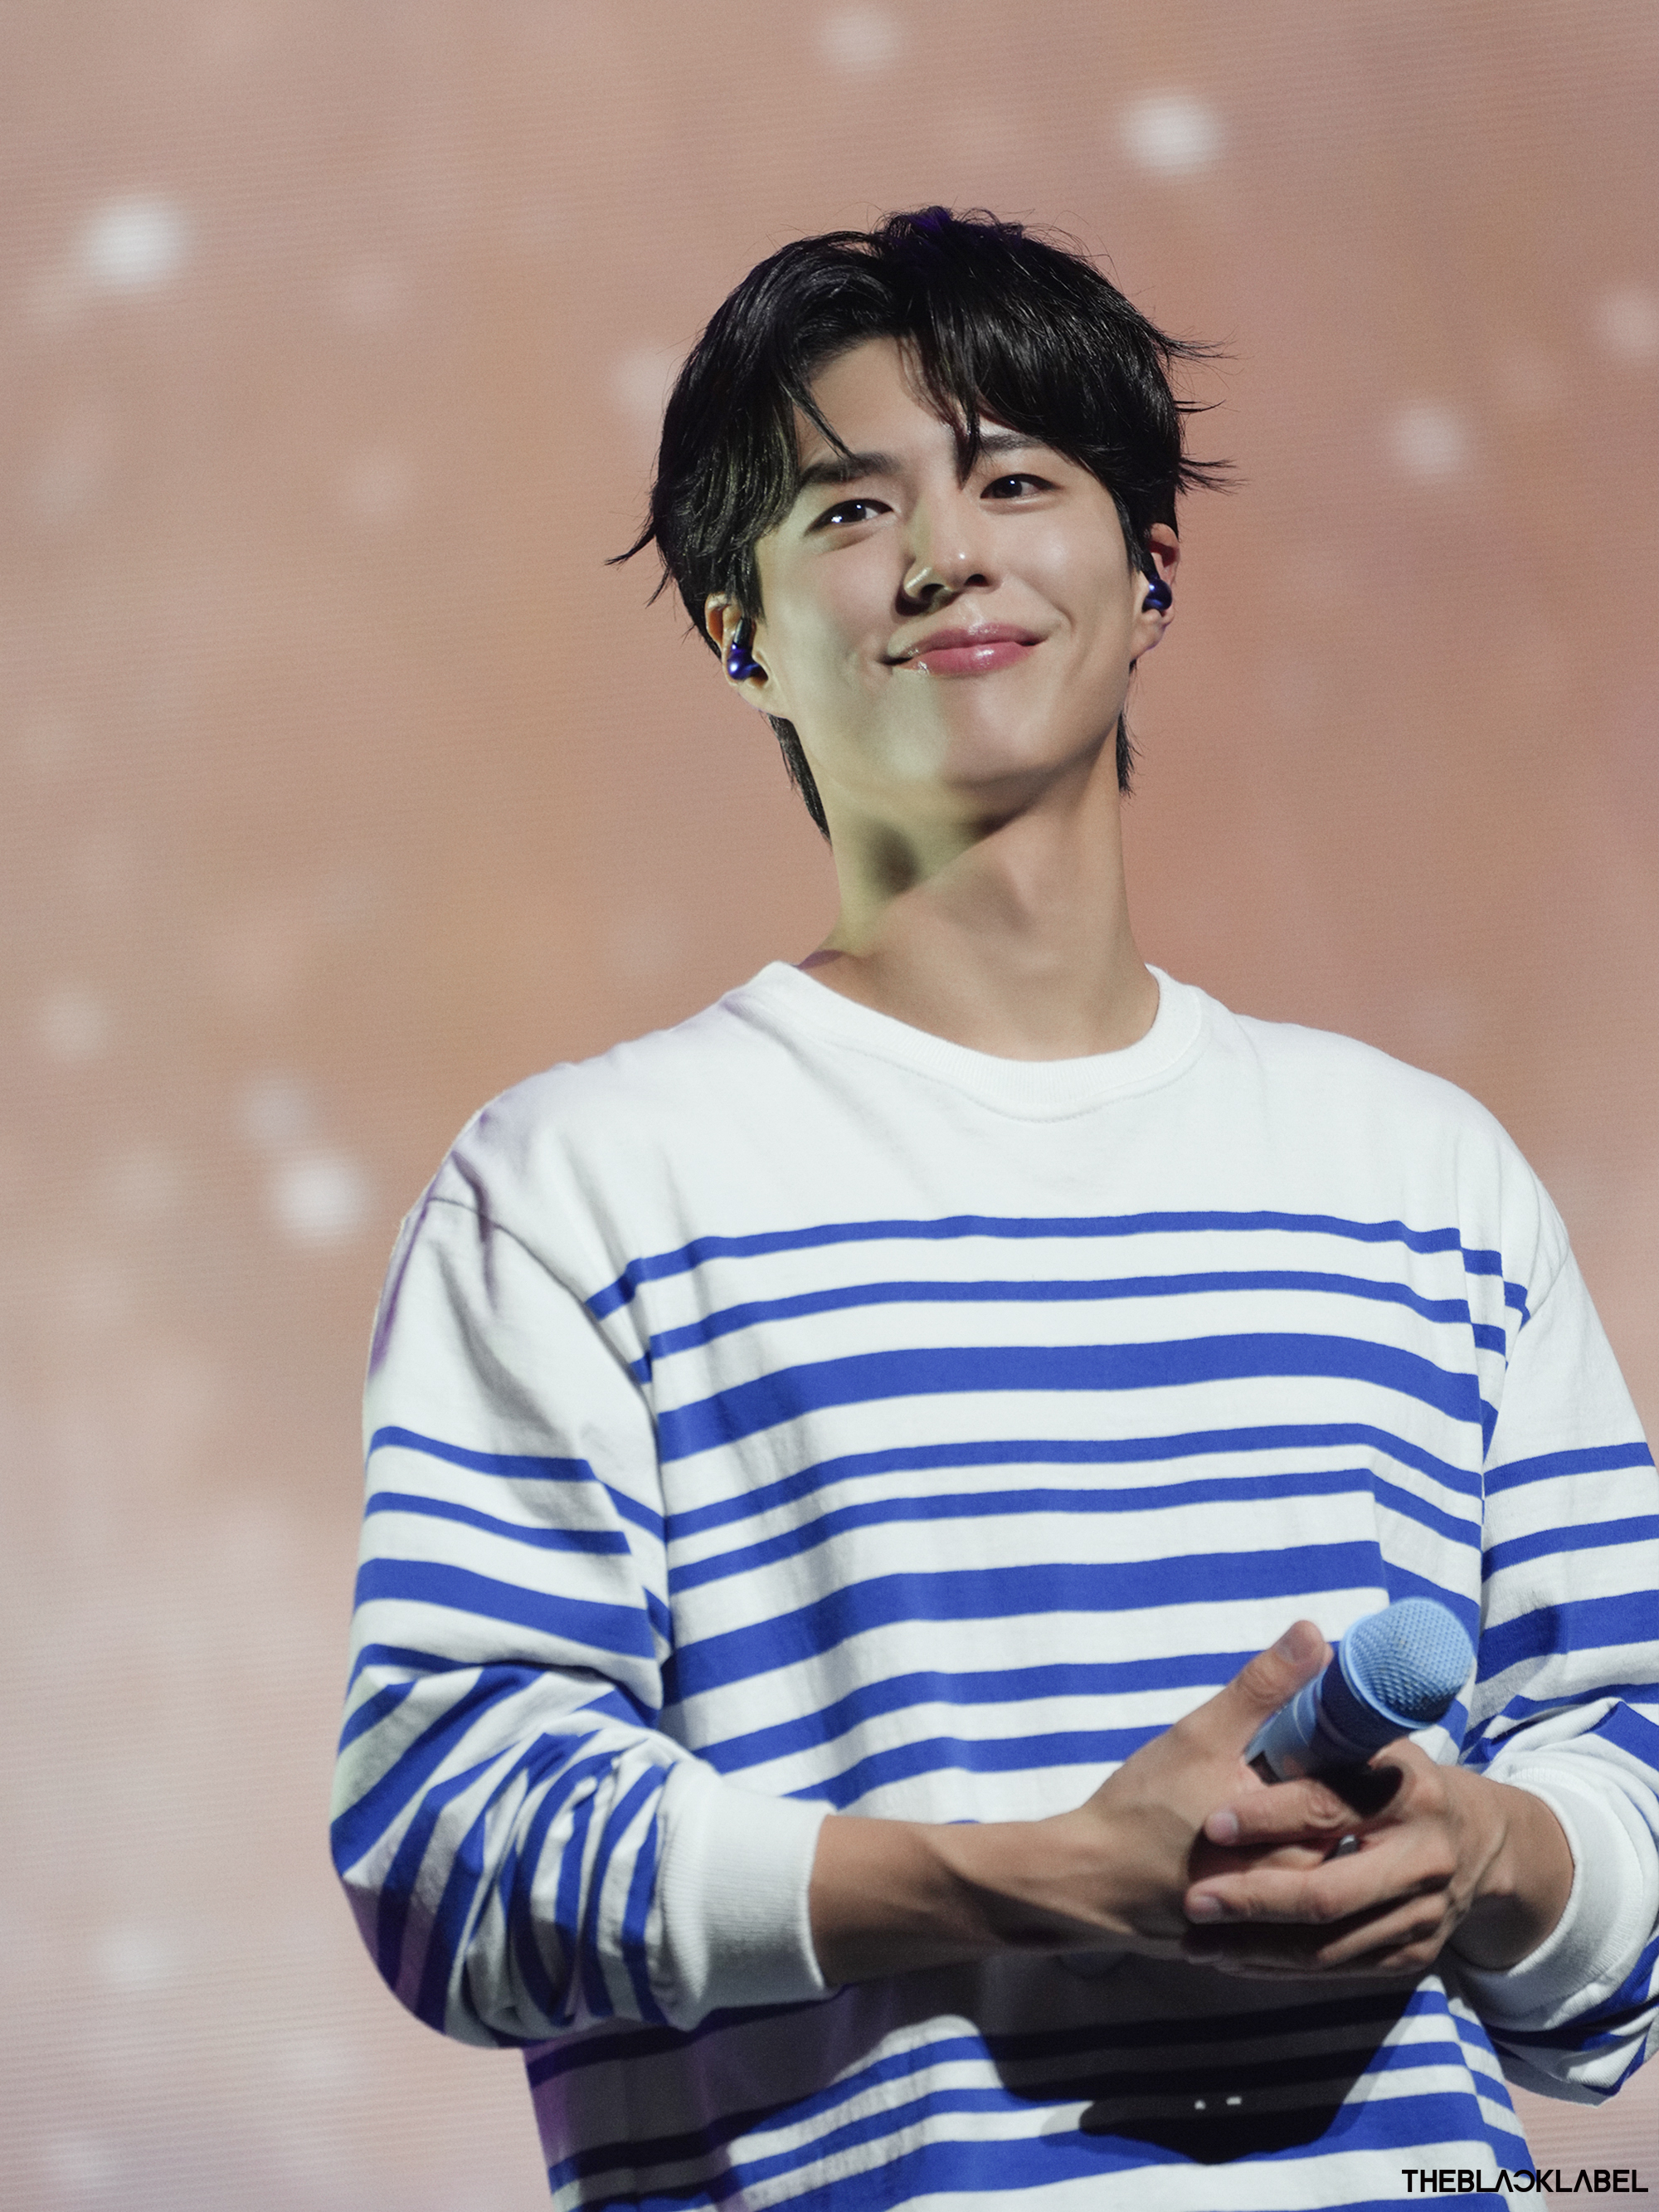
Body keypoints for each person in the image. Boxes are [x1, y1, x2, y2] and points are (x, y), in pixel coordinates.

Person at [331, 210, 1659, 2207]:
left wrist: (1486, 1852)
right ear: (735, 629)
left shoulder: (1424, 1181)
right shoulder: (581, 1190)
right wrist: (1024, 1879)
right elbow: (452, 1850)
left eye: (1016, 479)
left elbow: (1622, 1849)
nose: (948, 552)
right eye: (851, 509)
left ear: (1150, 569)